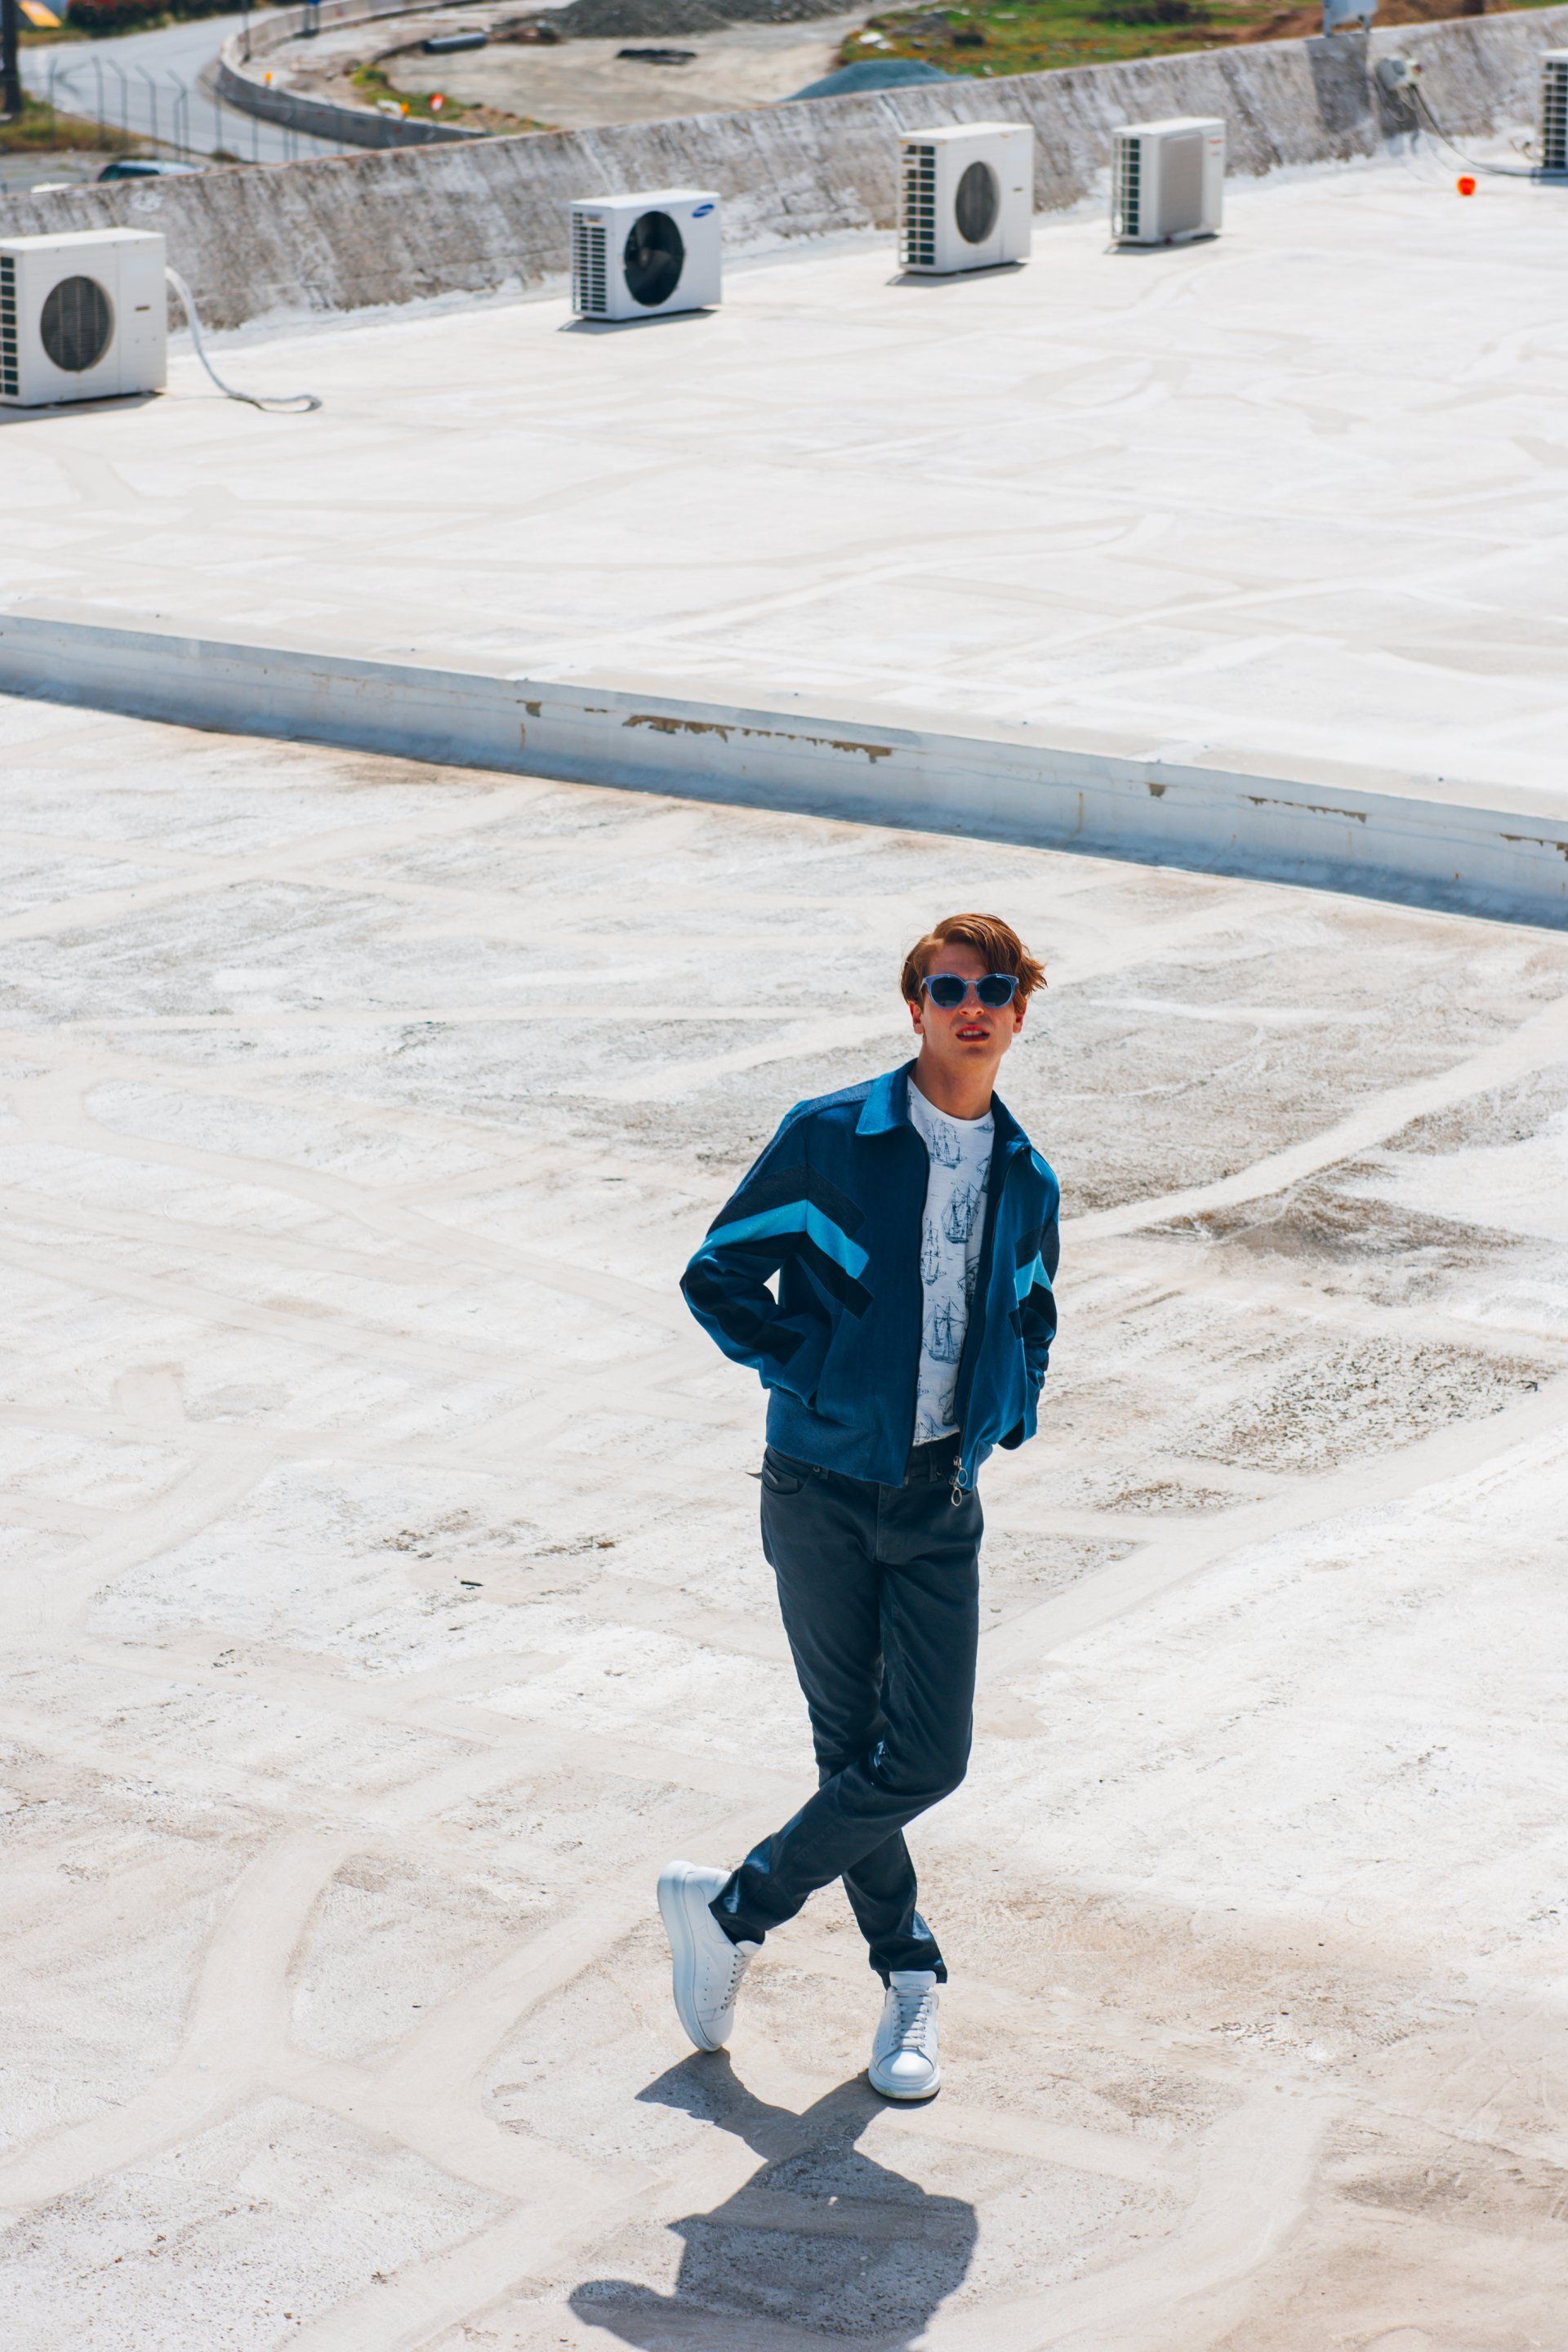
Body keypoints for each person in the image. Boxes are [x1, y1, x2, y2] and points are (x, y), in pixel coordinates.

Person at [661, 912, 1058, 2100]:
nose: (970, 1006)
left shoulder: (1026, 1175)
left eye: (993, 988)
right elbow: (718, 1273)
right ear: (916, 1006)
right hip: (821, 1490)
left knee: (925, 1757)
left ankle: (732, 1913)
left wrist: (1011, 1410)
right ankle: (909, 1979)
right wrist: (814, 1373)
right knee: (854, 1752)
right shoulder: (833, 1138)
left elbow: (1032, 1309)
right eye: (948, 988)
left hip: (940, 1496)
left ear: (1019, 1011)